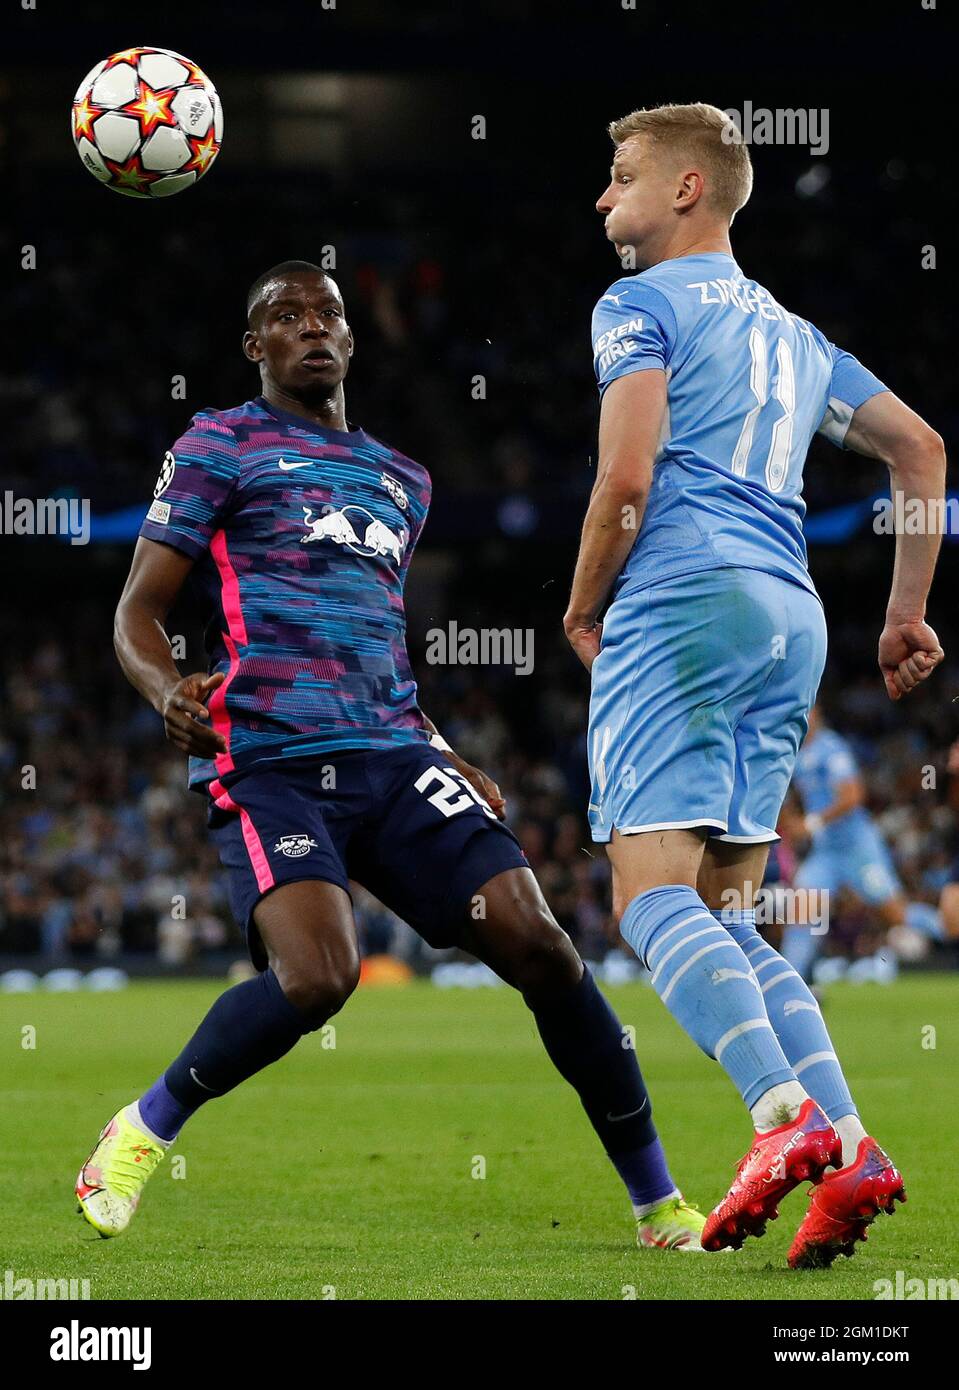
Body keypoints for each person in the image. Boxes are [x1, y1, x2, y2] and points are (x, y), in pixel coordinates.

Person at [76, 261, 705, 1254]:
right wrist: (166, 693)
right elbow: (135, 612)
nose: (311, 329)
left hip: (393, 753)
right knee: (320, 977)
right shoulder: (218, 442)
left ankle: (658, 1203)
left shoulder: (400, 479)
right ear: (258, 348)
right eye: (285, 318)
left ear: (351, 340)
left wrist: (443, 749)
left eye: (325, 314)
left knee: (540, 942)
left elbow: (375, 644)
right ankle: (141, 1128)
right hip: (273, 759)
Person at [563, 103, 946, 1266]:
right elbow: (920, 449)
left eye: (619, 176)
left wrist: (584, 603)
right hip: (792, 620)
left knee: (645, 897)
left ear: (686, 190)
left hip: (682, 596)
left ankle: (778, 1120)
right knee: (733, 915)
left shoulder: (637, 305)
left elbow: (626, 474)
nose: (601, 198)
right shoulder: (796, 335)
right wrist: (904, 609)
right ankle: (849, 1140)